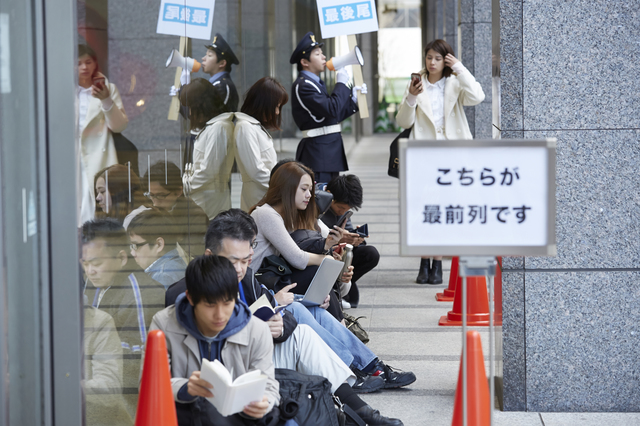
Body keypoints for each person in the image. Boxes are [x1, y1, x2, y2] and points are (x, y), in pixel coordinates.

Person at [165, 209, 406, 425]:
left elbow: (284, 315)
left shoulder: (246, 278)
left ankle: (360, 411)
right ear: (209, 255)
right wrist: (250, 326)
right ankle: (353, 407)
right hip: (218, 378)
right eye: (231, 261)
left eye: (245, 260)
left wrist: (279, 327)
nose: (238, 269)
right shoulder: (180, 295)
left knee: (300, 332)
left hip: (254, 360)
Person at [147, 255, 279, 426]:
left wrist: (264, 404)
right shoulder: (163, 324)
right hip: (183, 415)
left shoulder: (257, 330)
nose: (220, 314)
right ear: (191, 298)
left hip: (238, 418)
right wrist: (185, 388)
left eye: (227, 303)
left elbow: (269, 385)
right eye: (210, 305)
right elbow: (149, 384)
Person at [395, 39, 485, 284]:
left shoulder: (455, 82)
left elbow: (478, 96)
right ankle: (424, 262)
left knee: (444, 209)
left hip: (453, 157)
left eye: (437, 58)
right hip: (424, 156)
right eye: (429, 57)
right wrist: (411, 98)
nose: (432, 62)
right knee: (426, 209)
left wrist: (460, 68)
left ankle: (437, 264)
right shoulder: (416, 83)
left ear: (445, 59)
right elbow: (403, 122)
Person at [81, 218, 166, 417]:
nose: (89, 271)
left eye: (96, 263)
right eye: (85, 264)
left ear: (121, 258)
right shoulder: (93, 282)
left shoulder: (142, 293)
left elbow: (141, 360)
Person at [289, 32, 366, 184]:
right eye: (317, 54)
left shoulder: (315, 83)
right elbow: (332, 109)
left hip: (327, 152)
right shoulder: (303, 86)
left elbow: (330, 117)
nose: (324, 57)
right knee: (320, 202)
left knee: (330, 202)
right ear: (304, 62)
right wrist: (342, 84)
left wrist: (353, 101)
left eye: (322, 53)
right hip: (318, 154)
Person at [77, 44, 128, 226]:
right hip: (73, 158)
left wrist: (106, 99)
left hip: (100, 155)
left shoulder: (108, 88)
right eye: (79, 63)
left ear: (95, 63)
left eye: (88, 62)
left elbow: (119, 126)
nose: (84, 67)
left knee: (99, 206)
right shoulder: (62, 91)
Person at [321, 174, 380, 309]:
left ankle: (341, 291)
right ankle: (336, 292)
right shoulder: (316, 204)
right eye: (341, 208)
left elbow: (347, 232)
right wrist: (334, 239)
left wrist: (355, 238)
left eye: (347, 209)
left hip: (338, 252)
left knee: (371, 253)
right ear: (329, 195)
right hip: (320, 253)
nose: (342, 212)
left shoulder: (342, 206)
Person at [180, 78, 235, 219]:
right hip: (205, 197)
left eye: (191, 107)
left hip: (210, 200)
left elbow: (208, 171)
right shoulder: (214, 126)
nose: (190, 113)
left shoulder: (219, 128)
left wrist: (185, 187)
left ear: (201, 106)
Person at [234, 77, 289, 211]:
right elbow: (256, 170)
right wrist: (282, 188)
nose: (277, 112)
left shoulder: (253, 126)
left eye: (279, 107)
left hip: (267, 194)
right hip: (259, 196)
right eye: (275, 106)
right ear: (262, 103)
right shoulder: (245, 127)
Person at [143, 161, 209, 257]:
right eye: (151, 195)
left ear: (178, 191)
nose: (155, 202)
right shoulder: (149, 208)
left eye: (161, 196)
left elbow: (192, 257)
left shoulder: (196, 217)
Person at [127, 208, 187, 289]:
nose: (132, 253)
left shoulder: (161, 278)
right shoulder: (175, 265)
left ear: (159, 244)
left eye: (135, 246)